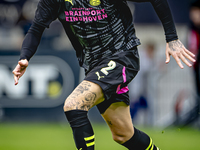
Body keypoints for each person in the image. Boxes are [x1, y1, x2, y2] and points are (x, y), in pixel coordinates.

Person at [12, 0, 196, 149]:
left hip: (122, 56)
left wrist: (172, 38)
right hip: (94, 65)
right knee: (124, 135)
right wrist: (25, 57)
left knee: (73, 105)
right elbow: (36, 28)